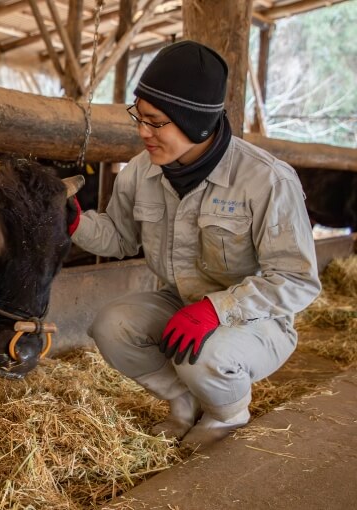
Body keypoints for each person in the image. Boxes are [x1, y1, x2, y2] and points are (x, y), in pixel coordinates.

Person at [67, 40, 321, 451]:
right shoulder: (140, 171)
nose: (142, 132)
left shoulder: (267, 180)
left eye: (156, 122)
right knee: (110, 325)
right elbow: (119, 237)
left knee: (205, 355)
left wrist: (215, 309)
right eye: (139, 117)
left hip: (257, 320)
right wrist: (75, 222)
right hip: (181, 300)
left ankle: (227, 414)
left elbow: (297, 282)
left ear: (196, 122)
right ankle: (182, 402)